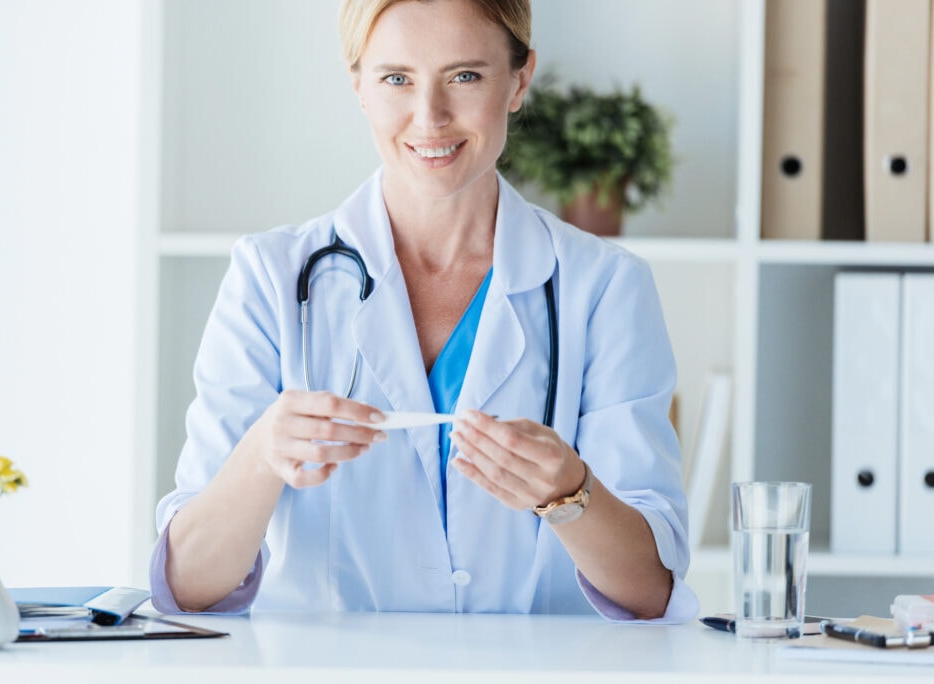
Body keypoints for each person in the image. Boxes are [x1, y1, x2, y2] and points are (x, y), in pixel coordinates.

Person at [150, 0, 698, 622]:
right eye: (396, 79)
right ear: (358, 85)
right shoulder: (270, 278)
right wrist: (261, 454)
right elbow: (189, 586)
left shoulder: (604, 287)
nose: (429, 117)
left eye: (465, 76)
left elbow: (650, 591)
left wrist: (570, 493)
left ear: (519, 80)